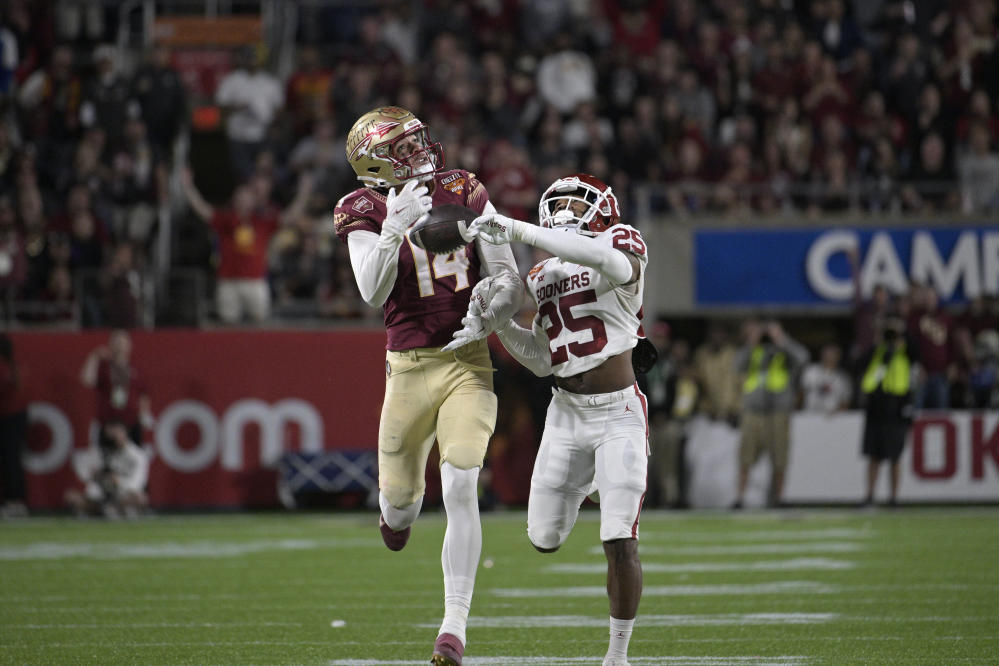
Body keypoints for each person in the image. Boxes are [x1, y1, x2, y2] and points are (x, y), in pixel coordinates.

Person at [333, 106, 522, 666]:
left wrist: (493, 310)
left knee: (462, 484)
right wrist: (395, 226)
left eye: (418, 140)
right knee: (400, 507)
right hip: (409, 368)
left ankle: (453, 629)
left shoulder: (463, 187)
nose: (419, 152)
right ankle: (394, 521)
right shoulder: (361, 207)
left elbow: (507, 273)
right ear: (374, 163)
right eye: (403, 146)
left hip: (467, 359)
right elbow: (370, 290)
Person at [455, 173, 649, 666]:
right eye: (559, 203)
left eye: (576, 203)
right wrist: (502, 326)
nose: (567, 211)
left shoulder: (620, 242)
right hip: (565, 412)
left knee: (618, 537)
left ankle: (617, 655)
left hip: (618, 413)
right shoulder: (541, 276)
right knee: (543, 538)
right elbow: (542, 360)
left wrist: (514, 229)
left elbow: (602, 260)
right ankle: (592, 481)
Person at [180, 168, 313, 324]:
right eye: (240, 196)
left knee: (260, 327)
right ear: (234, 199)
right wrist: (188, 187)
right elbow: (203, 210)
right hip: (228, 282)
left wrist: (304, 193)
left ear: (253, 201)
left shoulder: (263, 221)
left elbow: (290, 216)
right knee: (228, 328)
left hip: (255, 282)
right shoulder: (226, 220)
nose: (243, 200)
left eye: (246, 197)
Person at [732, 318, 809, 509]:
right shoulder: (754, 349)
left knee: (780, 457)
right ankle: (740, 498)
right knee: (746, 457)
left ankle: (779, 498)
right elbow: (737, 365)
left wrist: (781, 340)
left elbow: (803, 359)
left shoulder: (785, 349)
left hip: (779, 411)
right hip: (754, 412)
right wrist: (753, 341)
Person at [859, 317, 916, 507]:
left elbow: (917, 353)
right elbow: (859, 364)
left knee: (895, 457)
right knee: (874, 456)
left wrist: (902, 333)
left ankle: (894, 498)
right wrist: (878, 341)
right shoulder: (876, 352)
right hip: (876, 410)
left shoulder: (905, 352)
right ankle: (870, 496)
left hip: (897, 410)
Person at [79, 329, 153, 450]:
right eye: (116, 343)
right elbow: (87, 380)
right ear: (110, 345)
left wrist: (144, 415)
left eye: (123, 343)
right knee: (107, 463)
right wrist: (94, 357)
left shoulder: (135, 369)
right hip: (108, 425)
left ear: (129, 346)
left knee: (135, 461)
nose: (120, 347)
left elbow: (143, 395)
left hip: (131, 423)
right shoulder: (104, 367)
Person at [64, 420, 150, 518]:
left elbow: (137, 482)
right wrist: (95, 474)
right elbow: (81, 467)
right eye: (110, 434)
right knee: (72, 497)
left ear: (125, 434)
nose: (112, 438)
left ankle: (112, 510)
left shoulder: (137, 455)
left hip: (122, 495)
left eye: (116, 434)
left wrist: (118, 481)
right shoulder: (99, 451)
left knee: (140, 498)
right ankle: (102, 510)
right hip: (100, 494)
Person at [0, 334, 28, 517]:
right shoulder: (12, 364)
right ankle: (16, 500)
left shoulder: (3, 365)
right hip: (17, 416)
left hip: (8, 417)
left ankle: (13, 500)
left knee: (9, 460)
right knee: (13, 459)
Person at [800, 343, 853, 413]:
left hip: (832, 419)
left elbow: (846, 400)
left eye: (833, 355)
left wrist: (838, 412)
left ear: (839, 357)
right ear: (822, 355)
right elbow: (801, 393)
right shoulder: (811, 371)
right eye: (827, 354)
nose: (830, 357)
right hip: (810, 415)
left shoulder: (844, 378)